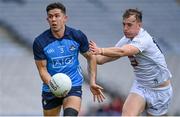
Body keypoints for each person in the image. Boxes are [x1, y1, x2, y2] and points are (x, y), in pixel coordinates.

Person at [89, 8, 173, 116]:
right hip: (141, 86)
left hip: (160, 90)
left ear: (139, 25)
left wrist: (100, 50)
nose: (125, 28)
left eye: (129, 25)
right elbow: (101, 59)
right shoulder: (126, 39)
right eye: (124, 24)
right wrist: (85, 52)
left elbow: (123, 51)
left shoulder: (144, 39)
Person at [33, 2, 105, 116]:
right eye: (50, 17)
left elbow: (91, 57)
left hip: (73, 85)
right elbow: (42, 70)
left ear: (65, 18)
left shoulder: (77, 36)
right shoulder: (40, 42)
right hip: (51, 89)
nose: (53, 19)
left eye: (57, 16)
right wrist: (54, 86)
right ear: (47, 20)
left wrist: (92, 82)